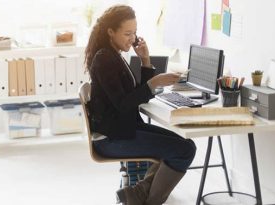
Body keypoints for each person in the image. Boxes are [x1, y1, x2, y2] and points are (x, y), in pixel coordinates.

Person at [84, 5, 197, 205]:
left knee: (185, 145)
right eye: (127, 33)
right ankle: (143, 199)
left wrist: (145, 60)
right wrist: (154, 82)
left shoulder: (114, 55)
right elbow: (123, 103)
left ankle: (137, 195)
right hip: (111, 138)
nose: (133, 38)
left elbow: (137, 96)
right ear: (111, 31)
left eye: (134, 32)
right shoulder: (104, 58)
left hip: (124, 129)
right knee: (184, 150)